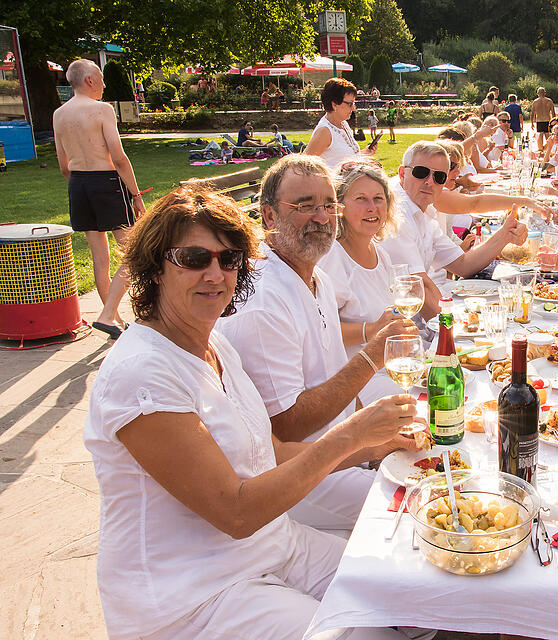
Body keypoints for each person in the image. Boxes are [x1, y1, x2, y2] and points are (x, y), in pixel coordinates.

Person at [83, 185, 423, 640]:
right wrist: (350, 435)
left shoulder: (213, 343)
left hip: (274, 546)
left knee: (414, 594)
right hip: (195, 595)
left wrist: (371, 444)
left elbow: (271, 450)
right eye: (194, 258)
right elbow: (235, 513)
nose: (215, 273)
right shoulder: (141, 374)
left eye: (229, 260)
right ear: (154, 268)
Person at [217, 155, 420, 530]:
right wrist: (373, 356)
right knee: (420, 508)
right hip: (302, 479)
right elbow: (287, 427)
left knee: (437, 464)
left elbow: (334, 375)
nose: (322, 217)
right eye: (304, 206)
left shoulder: (316, 278)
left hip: (342, 454)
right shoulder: (264, 302)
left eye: (328, 205)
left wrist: (377, 441)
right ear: (269, 216)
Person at [379, 141, 528, 317]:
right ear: (402, 173)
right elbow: (418, 287)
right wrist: (452, 326)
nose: (429, 182)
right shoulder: (397, 215)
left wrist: (505, 234)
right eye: (421, 173)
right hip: (396, 327)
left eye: (439, 177)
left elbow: (463, 265)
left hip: (416, 319)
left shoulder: (423, 210)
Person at [53, 59, 146, 339]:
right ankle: (108, 315)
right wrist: (135, 193)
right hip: (105, 182)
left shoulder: (59, 114)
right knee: (133, 252)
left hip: (78, 183)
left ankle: (114, 320)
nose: (105, 84)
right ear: (90, 80)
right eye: (101, 79)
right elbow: (118, 157)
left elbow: (63, 165)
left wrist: (80, 186)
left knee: (100, 258)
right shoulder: (102, 109)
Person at [318, 161, 410, 402]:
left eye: (378, 199)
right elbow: (319, 332)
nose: (372, 208)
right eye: (361, 199)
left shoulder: (381, 255)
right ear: (340, 208)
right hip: (354, 378)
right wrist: (370, 331)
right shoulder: (331, 259)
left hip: (390, 364)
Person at [305, 78, 377, 167]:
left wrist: (365, 153)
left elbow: (343, 158)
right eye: (350, 103)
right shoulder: (324, 131)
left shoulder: (343, 124)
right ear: (334, 104)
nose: (353, 108)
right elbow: (304, 166)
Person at [530, 86, 557, 151]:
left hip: (539, 121)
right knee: (548, 137)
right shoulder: (549, 101)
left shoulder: (535, 102)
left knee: (540, 137)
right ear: (544, 93)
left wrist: (532, 123)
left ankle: (541, 150)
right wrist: (554, 123)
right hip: (547, 120)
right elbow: (553, 113)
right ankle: (548, 150)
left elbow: (532, 114)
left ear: (538, 93)